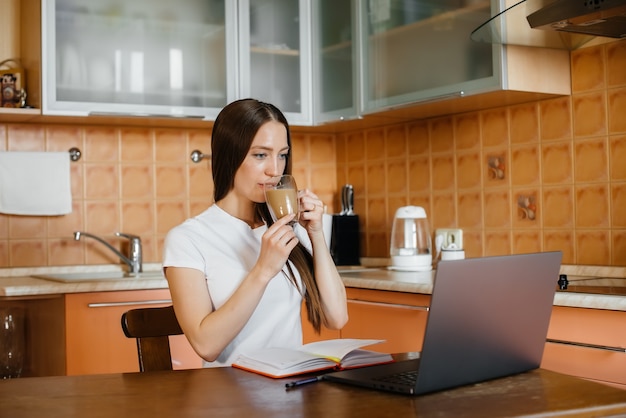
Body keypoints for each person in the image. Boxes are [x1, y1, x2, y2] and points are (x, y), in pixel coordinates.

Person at [163, 98, 349, 367]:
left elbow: (337, 317)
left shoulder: (287, 227)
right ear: (230, 154)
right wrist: (263, 270)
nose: (275, 170)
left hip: (290, 395)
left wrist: (316, 234)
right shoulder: (188, 239)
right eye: (261, 155)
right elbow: (206, 345)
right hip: (228, 399)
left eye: (282, 154)